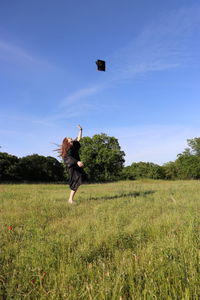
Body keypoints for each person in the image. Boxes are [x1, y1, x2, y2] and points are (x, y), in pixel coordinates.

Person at [58, 125, 85, 204]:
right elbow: (67, 158)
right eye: (68, 138)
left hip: (76, 165)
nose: (70, 137)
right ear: (66, 141)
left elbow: (79, 138)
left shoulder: (73, 145)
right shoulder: (67, 149)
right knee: (75, 181)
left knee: (78, 181)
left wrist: (81, 130)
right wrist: (77, 162)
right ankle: (70, 199)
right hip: (72, 167)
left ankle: (70, 199)